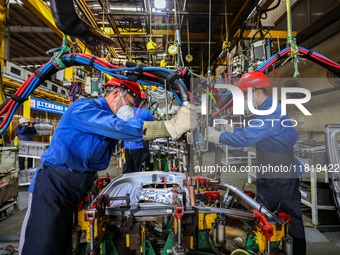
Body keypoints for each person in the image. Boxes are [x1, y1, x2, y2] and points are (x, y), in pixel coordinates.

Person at [19, 77, 198, 255]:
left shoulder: (108, 116)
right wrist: (171, 126)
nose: (132, 110)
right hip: (54, 186)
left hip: (77, 186)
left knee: (62, 243)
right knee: (42, 245)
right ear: (116, 93)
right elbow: (118, 127)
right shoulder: (84, 109)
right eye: (129, 103)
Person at [208, 72, 306, 255]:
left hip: (281, 172)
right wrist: (232, 129)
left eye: (245, 95)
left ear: (257, 93)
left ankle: (298, 251)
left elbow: (248, 137)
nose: (244, 100)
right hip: (269, 169)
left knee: (290, 219)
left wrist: (219, 136)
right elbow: (254, 132)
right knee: (266, 214)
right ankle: (271, 248)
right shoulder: (264, 111)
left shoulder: (273, 111)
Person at [122, 92, 155, 173]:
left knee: (129, 171)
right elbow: (153, 127)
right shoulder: (146, 113)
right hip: (140, 147)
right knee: (140, 172)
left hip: (127, 148)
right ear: (142, 102)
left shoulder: (125, 113)